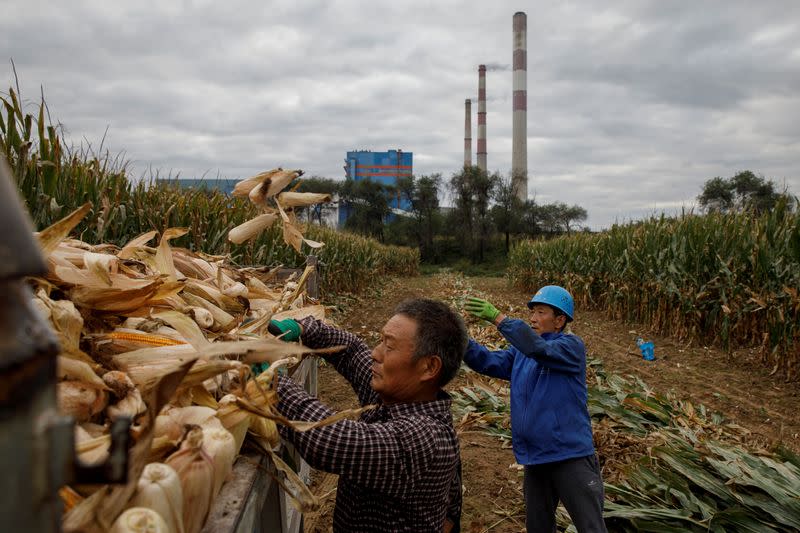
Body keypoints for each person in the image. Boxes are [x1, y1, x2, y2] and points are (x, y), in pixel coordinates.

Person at [268, 298, 468, 533]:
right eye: (380, 341)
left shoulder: (427, 438)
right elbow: (351, 351)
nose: (376, 353)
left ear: (429, 367)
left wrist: (270, 382)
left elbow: (329, 441)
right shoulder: (393, 394)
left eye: (389, 346)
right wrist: (303, 328)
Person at [463, 286, 606, 533]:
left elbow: (540, 350)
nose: (533, 318)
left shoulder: (570, 347)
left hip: (569, 456)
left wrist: (499, 318)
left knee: (590, 527)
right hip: (536, 458)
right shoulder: (521, 352)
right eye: (532, 312)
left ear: (560, 320)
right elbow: (488, 361)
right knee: (538, 527)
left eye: (541, 312)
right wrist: (459, 340)